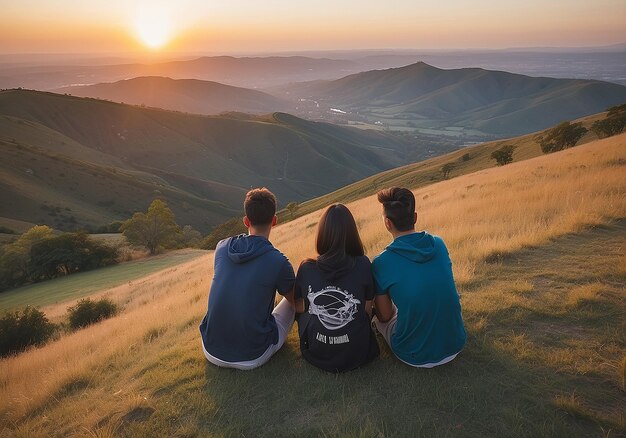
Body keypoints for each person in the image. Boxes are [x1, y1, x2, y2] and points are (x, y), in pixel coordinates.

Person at [199, 188, 296, 370]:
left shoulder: (222, 247)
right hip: (252, 356)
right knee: (290, 301)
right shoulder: (278, 261)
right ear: (274, 221)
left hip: (210, 349)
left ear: (246, 221)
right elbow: (296, 301)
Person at [372, 187, 466, 368]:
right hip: (456, 344)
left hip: (414, 355)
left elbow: (384, 315)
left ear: (387, 223)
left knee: (379, 320)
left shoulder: (381, 262)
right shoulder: (438, 243)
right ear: (414, 217)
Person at [294, 204, 379, 372]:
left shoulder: (306, 268)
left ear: (322, 234)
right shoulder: (363, 264)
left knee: (304, 313)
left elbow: (300, 307)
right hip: (358, 353)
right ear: (352, 233)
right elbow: (367, 310)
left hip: (317, 354)